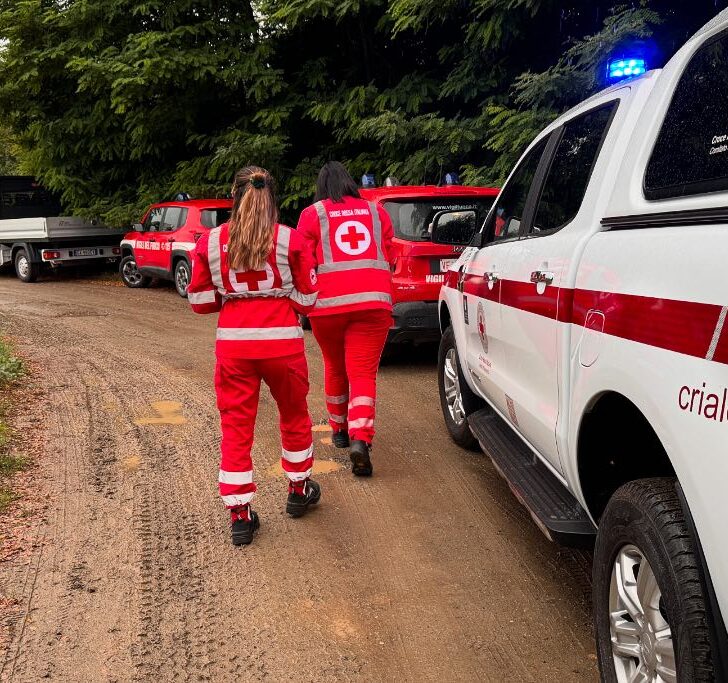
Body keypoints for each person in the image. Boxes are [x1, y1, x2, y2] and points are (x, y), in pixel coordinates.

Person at [188, 166, 321, 547]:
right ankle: (298, 491)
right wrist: (283, 301)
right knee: (294, 415)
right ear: (271, 197)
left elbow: (199, 301)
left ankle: (240, 516)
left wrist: (231, 300)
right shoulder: (289, 239)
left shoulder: (210, 242)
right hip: (282, 342)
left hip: (234, 344)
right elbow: (309, 298)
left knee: (236, 426)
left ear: (235, 195)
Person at [297, 161, 395, 477]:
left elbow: (302, 259)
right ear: (351, 183)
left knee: (334, 365)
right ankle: (360, 438)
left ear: (321, 188)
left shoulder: (313, 214)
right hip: (373, 302)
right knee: (363, 373)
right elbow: (389, 252)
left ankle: (339, 429)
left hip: (327, 306)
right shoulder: (376, 212)